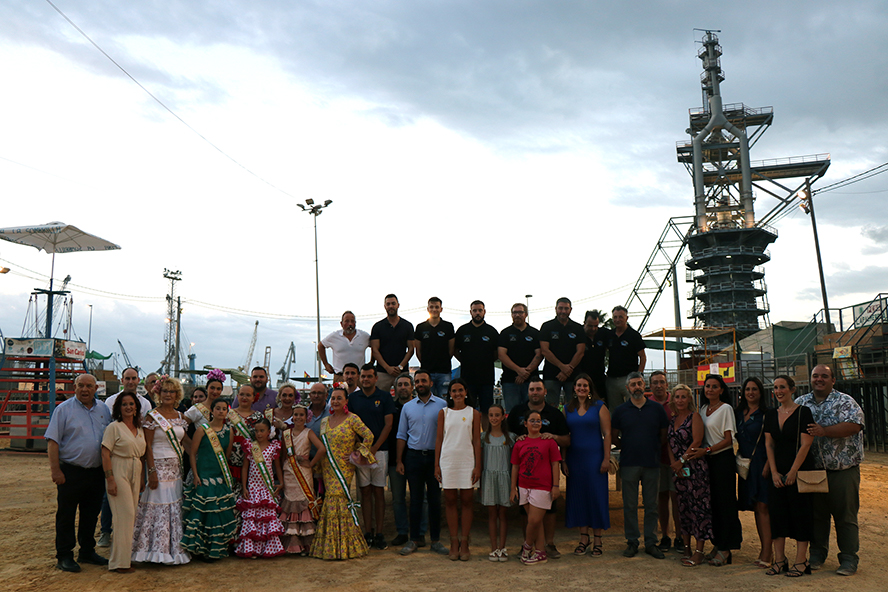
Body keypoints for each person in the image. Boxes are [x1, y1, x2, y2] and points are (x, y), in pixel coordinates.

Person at [797, 364, 865, 576]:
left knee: (845, 516)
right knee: (817, 516)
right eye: (815, 376)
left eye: (824, 376)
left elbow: (855, 425)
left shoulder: (845, 401)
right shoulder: (801, 402)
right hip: (813, 472)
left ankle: (848, 558)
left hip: (842, 471)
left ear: (833, 380)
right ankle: (817, 554)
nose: (819, 379)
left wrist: (824, 431)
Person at [45, 373, 111, 572]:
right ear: (74, 387)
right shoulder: (63, 410)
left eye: (89, 386)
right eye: (80, 385)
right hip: (70, 472)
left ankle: (87, 551)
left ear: (95, 388)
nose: (85, 389)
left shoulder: (103, 410)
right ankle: (64, 555)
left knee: (90, 514)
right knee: (66, 515)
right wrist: (56, 470)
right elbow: (53, 441)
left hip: (96, 472)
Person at [310, 386, 376, 560]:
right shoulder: (325, 421)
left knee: (338, 498)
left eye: (339, 398)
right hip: (327, 466)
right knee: (330, 500)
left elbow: (369, 436)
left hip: (344, 468)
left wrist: (357, 454)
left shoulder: (352, 419)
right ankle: (332, 545)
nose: (336, 401)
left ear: (346, 401)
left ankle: (347, 545)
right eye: (333, 398)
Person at [507, 378, 570, 559]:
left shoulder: (555, 414)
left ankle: (547, 544)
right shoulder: (518, 411)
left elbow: (567, 440)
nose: (535, 392)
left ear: (545, 392)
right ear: (528, 392)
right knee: (526, 514)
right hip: (525, 476)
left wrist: (554, 437)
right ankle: (530, 544)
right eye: (532, 389)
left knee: (547, 511)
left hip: (544, 478)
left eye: (538, 389)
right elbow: (508, 434)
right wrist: (517, 439)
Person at [131, 376, 191, 565]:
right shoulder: (152, 416)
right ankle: (151, 550)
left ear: (177, 395)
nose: (168, 394)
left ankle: (172, 550)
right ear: (158, 393)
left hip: (176, 469)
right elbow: (146, 446)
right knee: (156, 507)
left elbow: (188, 444)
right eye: (164, 391)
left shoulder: (182, 418)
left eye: (171, 391)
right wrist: (151, 471)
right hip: (156, 466)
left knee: (174, 507)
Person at [610, 372, 669, 560]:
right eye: (633, 384)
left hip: (652, 463)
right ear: (627, 388)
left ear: (645, 386)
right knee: (630, 505)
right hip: (629, 463)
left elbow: (663, 434)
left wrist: (653, 448)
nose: (637, 387)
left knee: (651, 505)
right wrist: (625, 447)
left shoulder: (656, 409)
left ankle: (651, 542)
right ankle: (632, 541)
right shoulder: (620, 411)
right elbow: (613, 435)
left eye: (639, 383)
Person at [688, 374, 742, 566]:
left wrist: (708, 450)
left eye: (714, 386)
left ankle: (727, 548)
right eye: (707, 386)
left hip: (722, 459)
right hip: (706, 461)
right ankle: (718, 544)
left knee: (725, 504)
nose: (710, 389)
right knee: (712, 505)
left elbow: (728, 440)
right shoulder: (703, 409)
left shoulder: (726, 409)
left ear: (721, 390)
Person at [765, 375, 815, 577]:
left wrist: (793, 472)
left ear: (792, 389)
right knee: (777, 515)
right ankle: (779, 560)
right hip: (777, 471)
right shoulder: (770, 414)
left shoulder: (804, 412)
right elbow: (769, 444)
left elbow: (806, 444)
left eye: (783, 387)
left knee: (800, 514)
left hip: (799, 470)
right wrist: (774, 472)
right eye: (776, 387)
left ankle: (801, 562)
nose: (779, 391)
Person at [395, 369, 449, 556]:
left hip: (436, 458)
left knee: (435, 500)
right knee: (415, 500)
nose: (420, 384)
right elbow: (402, 435)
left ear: (431, 383)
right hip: (414, 458)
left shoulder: (443, 405)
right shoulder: (408, 407)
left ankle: (436, 540)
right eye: (417, 381)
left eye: (423, 380)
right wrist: (400, 460)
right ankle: (414, 539)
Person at [100, 367, 151, 547]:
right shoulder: (110, 401)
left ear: (139, 380)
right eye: (127, 378)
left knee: (133, 497)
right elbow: (108, 426)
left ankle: (130, 536)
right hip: (117, 453)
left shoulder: (145, 404)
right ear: (122, 380)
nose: (131, 381)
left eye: (134, 378)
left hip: (136, 453)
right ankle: (105, 531)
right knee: (110, 495)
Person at [181, 398, 237, 561]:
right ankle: (200, 548)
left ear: (227, 412)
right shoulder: (202, 430)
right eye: (217, 408)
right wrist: (196, 475)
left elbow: (226, 456)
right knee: (203, 513)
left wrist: (224, 475)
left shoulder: (229, 430)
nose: (220, 411)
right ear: (211, 411)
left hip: (219, 477)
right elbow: (193, 453)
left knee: (217, 514)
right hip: (203, 476)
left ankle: (215, 548)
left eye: (224, 409)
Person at [563, 373, 611, 557]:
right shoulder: (567, 408)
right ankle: (584, 538)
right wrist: (564, 460)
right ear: (574, 388)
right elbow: (566, 436)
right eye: (578, 385)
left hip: (595, 458)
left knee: (596, 496)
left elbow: (607, 434)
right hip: (575, 459)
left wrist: (606, 458)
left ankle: (598, 539)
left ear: (590, 388)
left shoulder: (599, 406)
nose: (581, 388)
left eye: (585, 385)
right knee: (579, 497)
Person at [348, 364, 395, 549]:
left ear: (376, 378)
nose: (366, 379)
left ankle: (380, 533)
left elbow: (388, 425)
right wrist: (363, 448)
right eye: (363, 376)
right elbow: (351, 424)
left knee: (378, 492)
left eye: (369, 376)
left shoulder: (384, 397)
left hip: (380, 451)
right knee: (365, 492)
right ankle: (367, 532)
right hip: (360, 452)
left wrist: (374, 448)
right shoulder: (353, 398)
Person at [666, 384, 713, 567]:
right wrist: (674, 464)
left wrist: (682, 461)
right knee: (682, 508)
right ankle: (686, 547)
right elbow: (669, 444)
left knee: (698, 509)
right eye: (677, 397)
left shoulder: (695, 417)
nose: (680, 400)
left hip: (695, 469)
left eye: (684, 397)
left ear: (689, 400)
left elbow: (697, 441)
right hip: (679, 471)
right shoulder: (673, 420)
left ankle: (699, 551)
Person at [435, 379, 482, 561]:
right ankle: (454, 542)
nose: (457, 394)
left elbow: (477, 441)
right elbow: (439, 439)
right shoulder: (443, 413)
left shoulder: (474, 413)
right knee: (450, 500)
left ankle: (465, 542)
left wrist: (478, 465)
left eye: (460, 390)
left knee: (468, 500)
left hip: (467, 460)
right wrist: (437, 464)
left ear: (466, 392)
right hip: (448, 460)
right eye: (454, 391)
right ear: (450, 394)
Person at [101, 392, 147, 573]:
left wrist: (142, 477)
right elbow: (105, 453)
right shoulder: (114, 427)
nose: (128, 407)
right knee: (124, 516)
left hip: (135, 470)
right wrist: (110, 479)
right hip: (119, 468)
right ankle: (118, 563)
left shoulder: (139, 428)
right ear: (119, 408)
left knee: (131, 516)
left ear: (136, 407)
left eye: (131, 404)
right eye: (124, 404)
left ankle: (125, 558)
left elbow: (142, 455)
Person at [511, 410, 562, 565]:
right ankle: (540, 552)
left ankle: (527, 546)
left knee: (533, 520)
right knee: (536, 521)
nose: (535, 423)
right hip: (524, 486)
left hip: (542, 486)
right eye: (532, 420)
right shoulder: (520, 443)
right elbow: (515, 466)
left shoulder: (549, 442)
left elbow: (555, 464)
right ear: (525, 423)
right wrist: (513, 487)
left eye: (538, 420)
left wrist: (555, 486)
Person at [235, 418, 286, 558]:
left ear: (269, 432)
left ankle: (268, 548)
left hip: (266, 487)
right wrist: (244, 487)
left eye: (262, 431)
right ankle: (252, 549)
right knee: (252, 517)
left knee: (266, 517)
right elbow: (245, 467)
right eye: (256, 431)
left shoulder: (274, 446)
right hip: (252, 486)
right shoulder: (250, 446)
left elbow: (277, 467)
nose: (258, 433)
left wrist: (281, 482)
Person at [279, 404, 326, 555]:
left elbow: (322, 449)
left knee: (304, 502)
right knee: (290, 503)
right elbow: (283, 455)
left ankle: (305, 545)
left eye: (301, 415)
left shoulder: (309, 432)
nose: (298, 417)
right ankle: (292, 544)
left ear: (307, 417)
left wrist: (311, 463)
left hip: (303, 472)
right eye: (296, 415)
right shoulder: (287, 433)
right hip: (289, 472)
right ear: (292, 417)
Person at [736, 377, 771, 568]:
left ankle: (768, 551)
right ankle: (764, 548)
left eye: (754, 389)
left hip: (762, 464)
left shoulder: (767, 414)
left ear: (760, 392)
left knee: (764, 506)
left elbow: (772, 442)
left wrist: (769, 465)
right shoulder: (739, 413)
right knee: (756, 508)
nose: (750, 392)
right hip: (745, 466)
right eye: (747, 389)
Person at [389, 373, 426, 547]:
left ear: (412, 387)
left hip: (416, 459)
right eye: (400, 385)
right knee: (398, 498)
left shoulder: (420, 406)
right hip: (395, 460)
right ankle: (402, 532)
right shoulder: (390, 407)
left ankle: (421, 532)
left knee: (420, 497)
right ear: (395, 388)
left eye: (406, 384)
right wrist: (397, 460)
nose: (403, 387)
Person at [647, 371, 681, 553]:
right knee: (661, 497)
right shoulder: (647, 404)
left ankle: (680, 536)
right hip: (656, 460)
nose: (659, 385)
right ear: (650, 385)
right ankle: (666, 535)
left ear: (667, 384)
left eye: (661, 382)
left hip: (677, 460)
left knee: (677, 497)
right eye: (655, 383)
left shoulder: (675, 403)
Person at [454, 300, 499, 418]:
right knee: (468, 410)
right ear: (470, 312)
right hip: (467, 379)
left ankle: (485, 436)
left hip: (486, 379)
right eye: (475, 311)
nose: (477, 313)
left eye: (480, 310)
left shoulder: (491, 331)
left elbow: (496, 353)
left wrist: (485, 362)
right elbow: (455, 350)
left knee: (486, 411)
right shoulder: (462, 331)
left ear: (484, 312)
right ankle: (469, 435)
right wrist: (466, 360)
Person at [539, 297, 585, 407]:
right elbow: (545, 350)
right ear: (555, 309)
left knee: (574, 407)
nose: (563, 311)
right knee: (551, 407)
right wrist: (562, 367)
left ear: (570, 310)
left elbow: (580, 352)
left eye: (566, 308)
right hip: (551, 375)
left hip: (573, 375)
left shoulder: (578, 328)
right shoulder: (547, 327)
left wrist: (568, 370)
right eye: (560, 308)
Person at [481, 404, 513, 562]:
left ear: (503, 416)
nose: (494, 418)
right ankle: (493, 548)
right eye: (491, 415)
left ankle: (503, 547)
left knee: (503, 514)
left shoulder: (510, 438)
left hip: (504, 478)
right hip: (489, 479)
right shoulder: (483, 438)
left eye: (497, 415)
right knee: (492, 514)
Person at [497, 303, 543, 413]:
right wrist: (519, 370)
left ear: (526, 314)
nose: (517, 315)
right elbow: (501, 355)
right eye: (514, 312)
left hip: (531, 382)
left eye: (520, 312)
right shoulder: (505, 333)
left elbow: (539, 354)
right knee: (512, 414)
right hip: (510, 381)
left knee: (532, 413)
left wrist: (526, 372)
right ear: (511, 315)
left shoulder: (535, 333)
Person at [370, 293, 415, 393]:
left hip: (402, 372)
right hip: (382, 372)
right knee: (380, 401)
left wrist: (400, 367)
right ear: (385, 306)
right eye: (388, 304)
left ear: (398, 305)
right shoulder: (378, 327)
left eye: (393, 303)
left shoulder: (407, 326)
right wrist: (387, 368)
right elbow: (375, 350)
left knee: (404, 400)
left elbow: (411, 349)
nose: (391, 306)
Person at [605, 306, 646, 411]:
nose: (618, 320)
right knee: (614, 410)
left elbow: (642, 356)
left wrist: (639, 374)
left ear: (626, 318)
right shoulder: (609, 335)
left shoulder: (634, 335)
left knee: (632, 407)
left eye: (621, 317)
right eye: (615, 317)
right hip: (612, 379)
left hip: (629, 378)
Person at [414, 296, 455, 396]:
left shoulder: (448, 326)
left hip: (444, 372)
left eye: (436, 307)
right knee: (427, 400)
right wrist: (426, 361)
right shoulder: (420, 327)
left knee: (444, 401)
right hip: (426, 372)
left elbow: (451, 350)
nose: (434, 309)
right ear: (428, 309)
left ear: (441, 309)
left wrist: (443, 361)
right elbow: (418, 351)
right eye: (431, 307)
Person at [229, 385, 263, 499]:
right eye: (242, 394)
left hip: (251, 463)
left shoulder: (259, 417)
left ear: (254, 398)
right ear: (237, 396)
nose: (244, 397)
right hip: (230, 462)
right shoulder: (228, 415)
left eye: (248, 395)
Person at [319, 310, 371, 382]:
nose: (350, 324)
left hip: (358, 377)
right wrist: (326, 364)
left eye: (352, 321)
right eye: (347, 321)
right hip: (340, 376)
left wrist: (372, 361)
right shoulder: (334, 336)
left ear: (355, 323)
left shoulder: (364, 336)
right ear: (341, 323)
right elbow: (321, 345)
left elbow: (375, 346)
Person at [579, 310, 612, 408]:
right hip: (582, 377)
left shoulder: (603, 333)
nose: (593, 329)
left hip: (600, 378)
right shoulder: (578, 333)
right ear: (584, 323)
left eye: (596, 326)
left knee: (603, 405)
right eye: (590, 326)